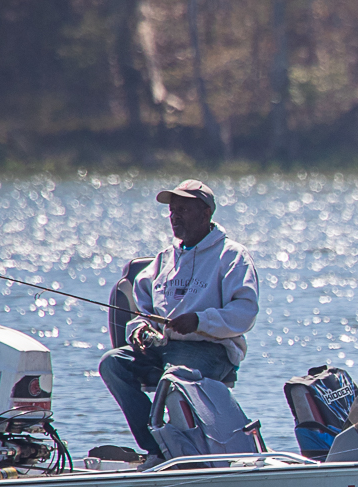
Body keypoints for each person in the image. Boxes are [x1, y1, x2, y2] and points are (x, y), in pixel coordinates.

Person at [98, 180, 260, 463]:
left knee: (172, 378)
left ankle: (175, 450)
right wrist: (140, 330)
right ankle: (159, 448)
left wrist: (199, 321)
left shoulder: (232, 256)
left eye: (183, 209)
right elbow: (141, 310)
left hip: (210, 349)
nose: (174, 216)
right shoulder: (163, 259)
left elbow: (244, 312)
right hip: (162, 347)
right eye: (172, 210)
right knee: (112, 364)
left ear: (206, 212)